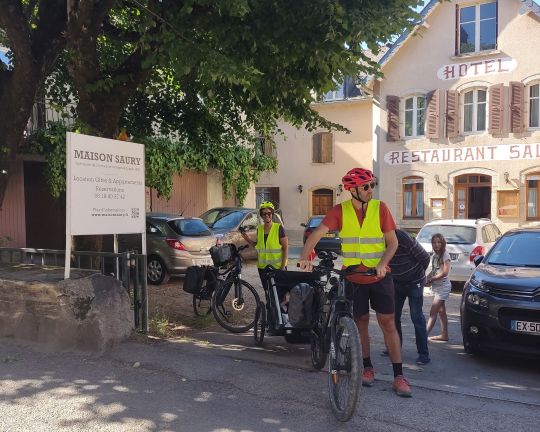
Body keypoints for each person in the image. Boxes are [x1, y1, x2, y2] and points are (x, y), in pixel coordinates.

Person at [299, 168, 412, 398]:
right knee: (360, 323)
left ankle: (399, 376)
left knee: (388, 324)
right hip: (352, 277)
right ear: (353, 190)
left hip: (379, 276)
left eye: (372, 185)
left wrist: (382, 264)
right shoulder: (340, 211)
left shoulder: (380, 208)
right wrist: (304, 257)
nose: (371, 190)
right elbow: (317, 234)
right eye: (366, 186)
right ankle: (367, 367)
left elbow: (393, 243)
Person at [383, 229, 431, 365]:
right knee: (393, 316)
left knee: (416, 317)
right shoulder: (377, 239)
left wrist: (417, 275)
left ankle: (423, 354)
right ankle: (395, 348)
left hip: (414, 282)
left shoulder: (402, 237)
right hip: (396, 282)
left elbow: (425, 257)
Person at [240, 201, 288, 290]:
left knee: (279, 291)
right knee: (267, 290)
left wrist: (283, 266)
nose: (266, 215)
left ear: (272, 214)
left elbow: (285, 248)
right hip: (263, 267)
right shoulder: (259, 229)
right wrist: (247, 238)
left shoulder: (278, 228)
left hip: (277, 267)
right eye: (264, 214)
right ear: (261, 215)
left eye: (269, 213)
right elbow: (258, 246)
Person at [425, 233, 451, 342]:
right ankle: (444, 335)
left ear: (443, 243)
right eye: (434, 242)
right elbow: (434, 271)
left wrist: (432, 279)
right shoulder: (435, 255)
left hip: (443, 287)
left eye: (439, 242)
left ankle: (423, 336)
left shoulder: (445, 255)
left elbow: (445, 272)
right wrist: (426, 278)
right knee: (441, 311)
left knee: (433, 312)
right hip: (437, 287)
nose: (436, 244)